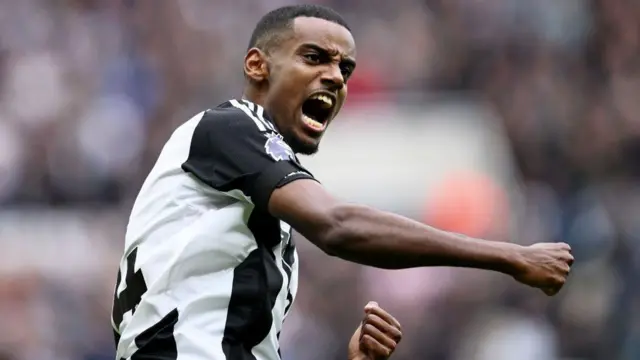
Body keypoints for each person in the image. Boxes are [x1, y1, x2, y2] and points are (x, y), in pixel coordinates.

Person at [111, 4, 574, 360]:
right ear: (257, 65)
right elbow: (337, 225)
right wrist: (511, 256)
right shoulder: (229, 127)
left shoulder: (242, 226)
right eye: (314, 57)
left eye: (344, 69)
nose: (334, 76)